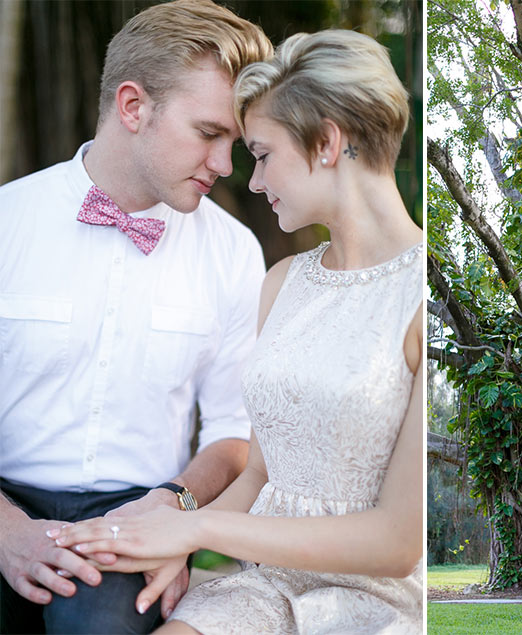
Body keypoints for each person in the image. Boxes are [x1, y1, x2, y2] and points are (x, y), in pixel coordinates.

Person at [54, 29, 424, 634]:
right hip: (261, 586)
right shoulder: (282, 282)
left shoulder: (417, 294)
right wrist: (176, 544)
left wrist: (194, 528)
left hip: (376, 604)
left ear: (326, 142)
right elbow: (259, 470)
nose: (249, 180)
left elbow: (397, 542)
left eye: (262, 153)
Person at [0, 1, 273, 632]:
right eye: (209, 133)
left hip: (136, 515)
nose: (226, 165)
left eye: (236, 142)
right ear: (133, 107)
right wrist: (10, 531)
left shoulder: (234, 253)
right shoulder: (8, 222)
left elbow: (233, 434)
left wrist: (172, 510)